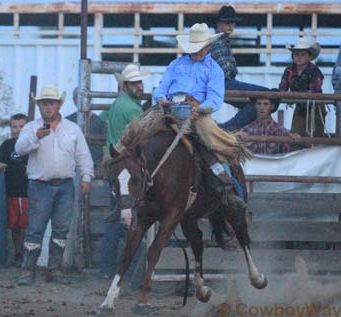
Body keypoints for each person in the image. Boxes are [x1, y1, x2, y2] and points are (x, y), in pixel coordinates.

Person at [153, 23, 250, 236]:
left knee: (213, 143)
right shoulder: (176, 64)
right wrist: (161, 99)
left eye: (201, 47)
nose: (198, 51)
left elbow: (215, 98)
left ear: (207, 46)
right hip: (170, 109)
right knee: (143, 132)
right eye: (194, 47)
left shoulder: (214, 69)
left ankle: (228, 186)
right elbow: (161, 88)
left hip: (198, 113)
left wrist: (201, 107)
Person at [15, 84, 94, 285]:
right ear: (39, 106)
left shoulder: (72, 128)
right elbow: (19, 149)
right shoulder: (31, 127)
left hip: (65, 185)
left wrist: (86, 176)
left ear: (58, 105)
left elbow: (83, 155)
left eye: (50, 103)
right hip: (40, 185)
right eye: (43, 104)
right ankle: (28, 269)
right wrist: (36, 137)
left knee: (60, 229)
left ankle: (53, 269)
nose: (47, 107)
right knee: (35, 229)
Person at [100, 64, 149, 280]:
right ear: (125, 85)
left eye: (140, 82)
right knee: (131, 219)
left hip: (116, 167)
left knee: (116, 218)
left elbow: (102, 118)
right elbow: (144, 138)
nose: (139, 86)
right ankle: (129, 273)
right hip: (126, 170)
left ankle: (106, 269)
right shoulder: (132, 109)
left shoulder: (117, 104)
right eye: (135, 83)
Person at [210, 5, 268, 129]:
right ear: (219, 23)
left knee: (255, 105)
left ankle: (228, 128)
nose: (230, 25)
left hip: (225, 82)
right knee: (266, 93)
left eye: (233, 23)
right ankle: (228, 128)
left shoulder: (223, 41)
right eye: (227, 22)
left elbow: (230, 69)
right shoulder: (217, 42)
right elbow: (227, 71)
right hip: (223, 83)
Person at [0, 113, 29, 268]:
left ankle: (30, 255)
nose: (18, 130)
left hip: (29, 192)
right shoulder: (7, 144)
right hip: (11, 191)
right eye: (14, 126)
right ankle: (18, 253)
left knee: (28, 226)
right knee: (14, 226)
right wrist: (0, 166)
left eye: (21, 126)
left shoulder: (32, 144)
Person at [279, 38, 326, 137]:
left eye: (303, 54)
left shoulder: (314, 70)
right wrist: (286, 96)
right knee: (295, 136)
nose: (299, 57)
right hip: (300, 106)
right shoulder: (289, 70)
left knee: (315, 137)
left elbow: (315, 90)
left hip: (315, 106)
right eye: (296, 54)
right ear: (293, 56)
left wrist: (292, 97)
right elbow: (282, 87)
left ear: (309, 56)